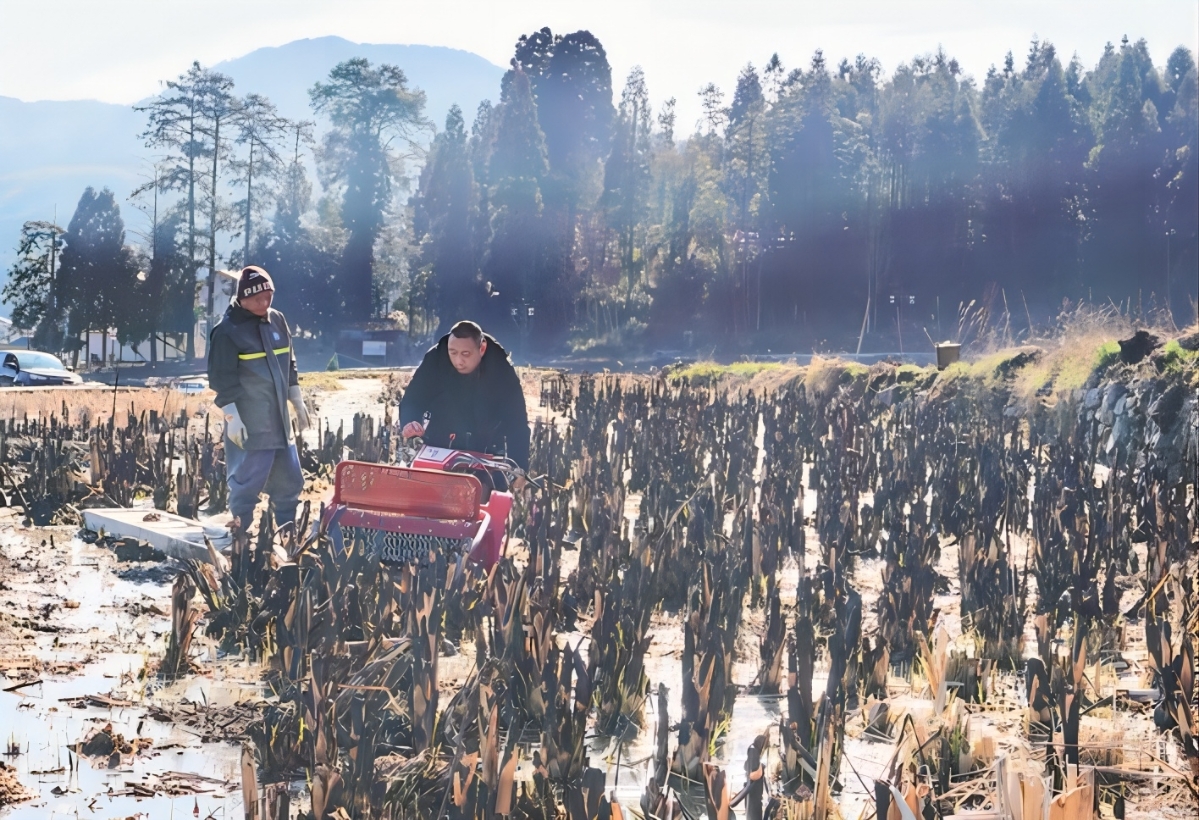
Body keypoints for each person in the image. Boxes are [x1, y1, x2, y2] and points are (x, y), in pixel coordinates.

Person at [207, 265, 311, 531]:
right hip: (250, 423)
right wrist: (232, 416)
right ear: (241, 297)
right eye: (256, 298)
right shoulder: (227, 331)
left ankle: (287, 533)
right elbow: (221, 379)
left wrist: (296, 398)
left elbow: (290, 361)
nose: (263, 303)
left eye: (268, 297)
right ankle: (241, 536)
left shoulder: (277, 320)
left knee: (289, 479)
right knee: (246, 481)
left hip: (279, 420)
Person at [399, 320, 529, 486]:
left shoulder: (501, 368)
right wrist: (410, 422)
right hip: (441, 441)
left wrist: (519, 465)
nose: (458, 361)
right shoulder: (436, 358)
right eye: (453, 353)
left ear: (482, 349)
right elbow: (413, 399)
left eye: (465, 354)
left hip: (486, 447)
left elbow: (517, 421)